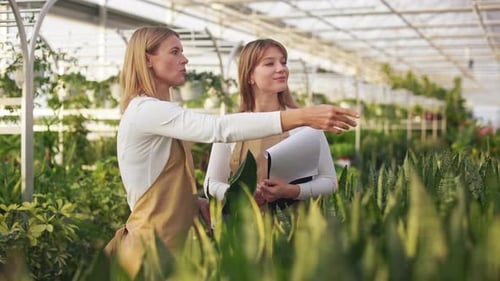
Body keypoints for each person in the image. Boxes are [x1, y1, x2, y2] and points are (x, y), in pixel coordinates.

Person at [105, 26, 359, 278]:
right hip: (150, 250)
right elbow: (217, 128)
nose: (185, 59)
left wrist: (191, 203)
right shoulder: (145, 110)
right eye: (174, 51)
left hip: (171, 246)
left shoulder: (158, 110)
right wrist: (302, 115)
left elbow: (156, 181)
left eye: (182, 51)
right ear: (148, 59)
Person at [203, 38, 338, 210]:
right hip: (245, 227)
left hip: (293, 227)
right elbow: (211, 184)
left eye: (283, 62)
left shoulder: (305, 125)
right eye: (269, 64)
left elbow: (330, 182)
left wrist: (292, 191)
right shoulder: (231, 125)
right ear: (250, 75)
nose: (281, 69)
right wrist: (242, 193)